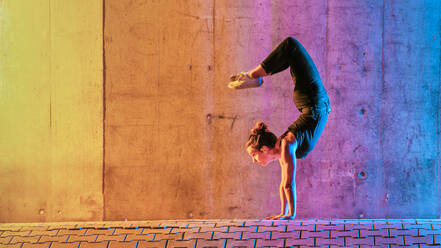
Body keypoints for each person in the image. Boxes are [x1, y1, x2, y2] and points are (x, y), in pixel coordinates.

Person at [228, 37, 331, 220]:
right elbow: (284, 183)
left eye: (254, 155)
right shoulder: (285, 147)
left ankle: (252, 76)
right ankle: (255, 78)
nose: (254, 160)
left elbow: (288, 184)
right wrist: (282, 213)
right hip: (314, 101)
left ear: (264, 149)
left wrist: (290, 214)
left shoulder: (286, 144)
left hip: (313, 99)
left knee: (291, 46)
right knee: (291, 54)